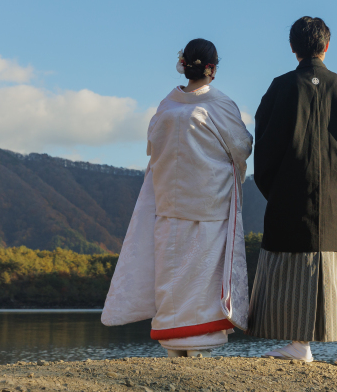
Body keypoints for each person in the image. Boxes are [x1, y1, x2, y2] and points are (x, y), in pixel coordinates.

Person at [102, 38, 253, 357]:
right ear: (212, 69)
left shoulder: (166, 106)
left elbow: (152, 149)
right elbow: (241, 148)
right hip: (208, 203)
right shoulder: (220, 104)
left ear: (185, 65)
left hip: (169, 202)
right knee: (201, 278)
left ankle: (173, 342)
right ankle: (198, 344)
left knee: (170, 274)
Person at [248, 16, 337, 368]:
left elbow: (264, 147)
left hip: (290, 191)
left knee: (295, 264)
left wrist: (275, 187)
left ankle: (300, 345)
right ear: (326, 46)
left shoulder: (281, 86)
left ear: (293, 47)